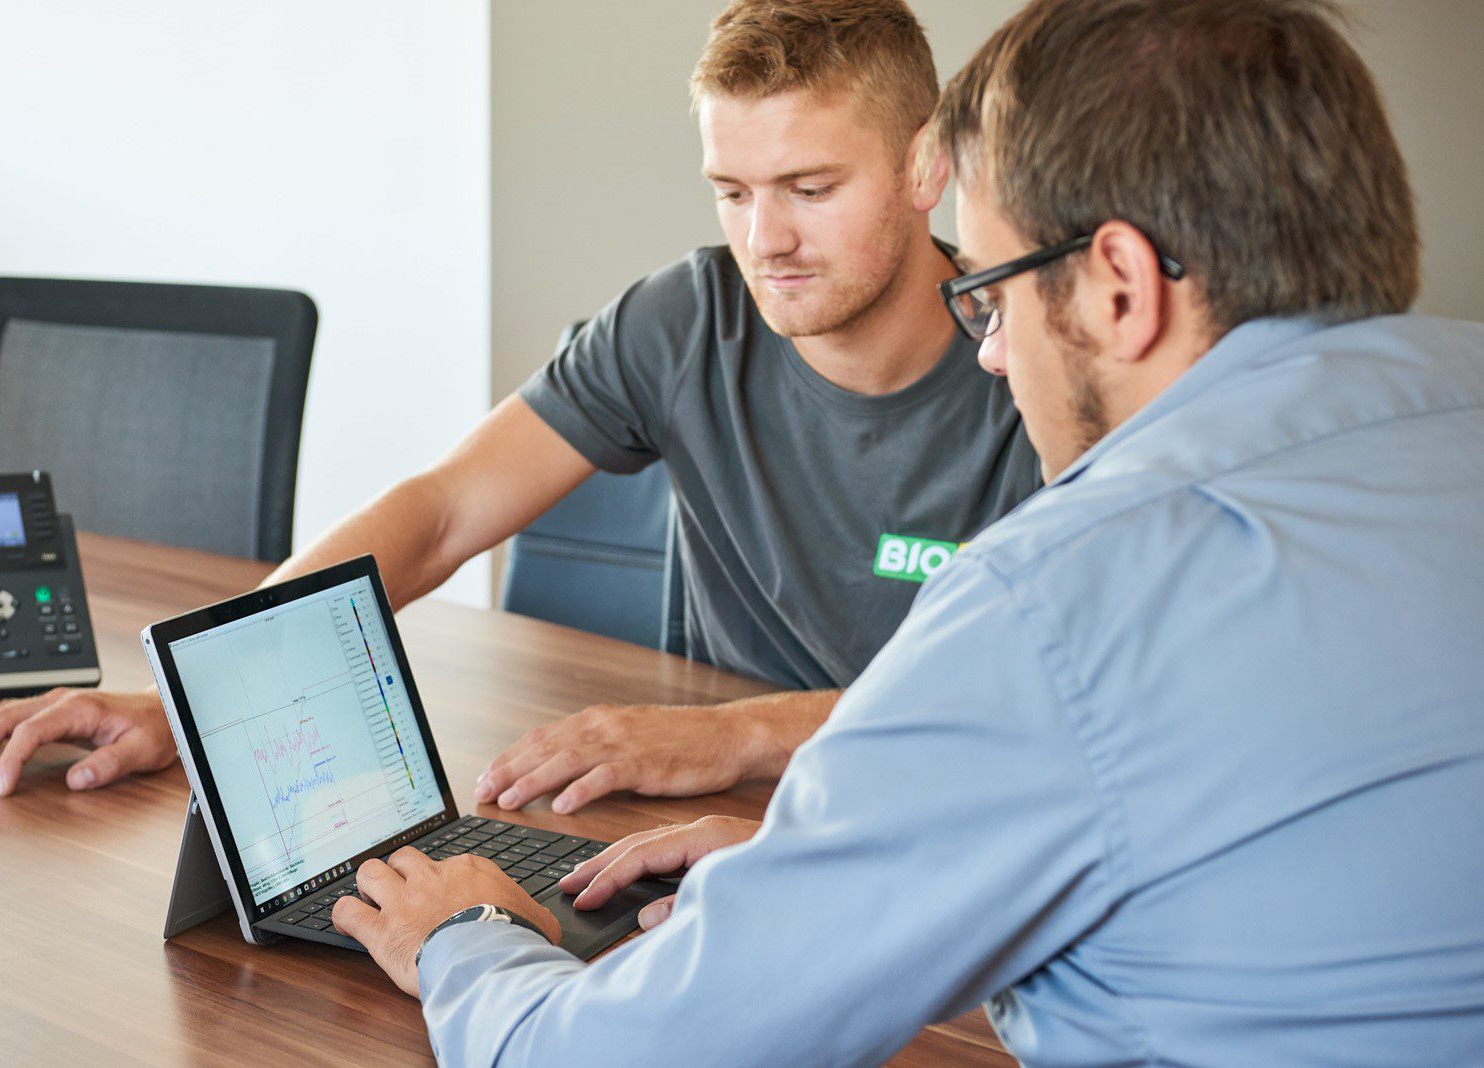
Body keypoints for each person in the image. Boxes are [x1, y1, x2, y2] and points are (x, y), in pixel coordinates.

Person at [327, 0, 1484, 1063]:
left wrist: (463, 938)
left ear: (1120, 287)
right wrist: (844, 876)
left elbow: (599, 1057)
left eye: (992, 283)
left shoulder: (1059, 594)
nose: (989, 344)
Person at [0, 0, 1041, 805]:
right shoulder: (683, 318)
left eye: (810, 189)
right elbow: (437, 513)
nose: (766, 241)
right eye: (732, 193)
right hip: (712, 816)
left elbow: (1041, 697)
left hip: (954, 812)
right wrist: (203, 703)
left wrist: (744, 732)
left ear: (922, 167)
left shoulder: (1036, 367)